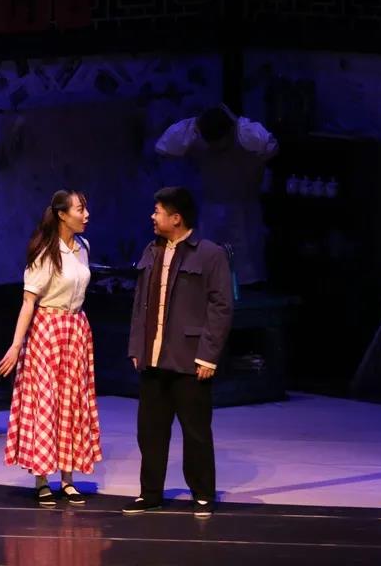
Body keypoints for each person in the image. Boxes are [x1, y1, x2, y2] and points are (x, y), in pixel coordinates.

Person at [123, 187, 233, 519]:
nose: (152, 217)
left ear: (176, 218)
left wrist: (208, 355)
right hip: (153, 357)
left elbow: (221, 307)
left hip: (189, 359)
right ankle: (150, 493)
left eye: (157, 211)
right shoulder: (152, 250)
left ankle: (202, 493)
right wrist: (136, 346)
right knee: (150, 430)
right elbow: (140, 304)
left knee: (195, 430)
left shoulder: (210, 254)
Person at [0, 189, 102, 507]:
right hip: (47, 330)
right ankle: (42, 479)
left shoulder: (83, 247)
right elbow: (29, 302)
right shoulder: (45, 251)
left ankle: (68, 479)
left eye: (85, 209)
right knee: (46, 402)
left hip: (76, 329)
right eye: (80, 209)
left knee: (72, 402)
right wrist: (16, 345)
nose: (86, 215)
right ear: (62, 214)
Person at [155, 104, 277, 285]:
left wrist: (242, 132)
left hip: (243, 210)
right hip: (211, 210)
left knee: (246, 270)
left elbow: (271, 147)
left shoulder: (247, 136)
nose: (216, 148)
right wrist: (194, 128)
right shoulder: (194, 135)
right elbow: (163, 148)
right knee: (210, 270)